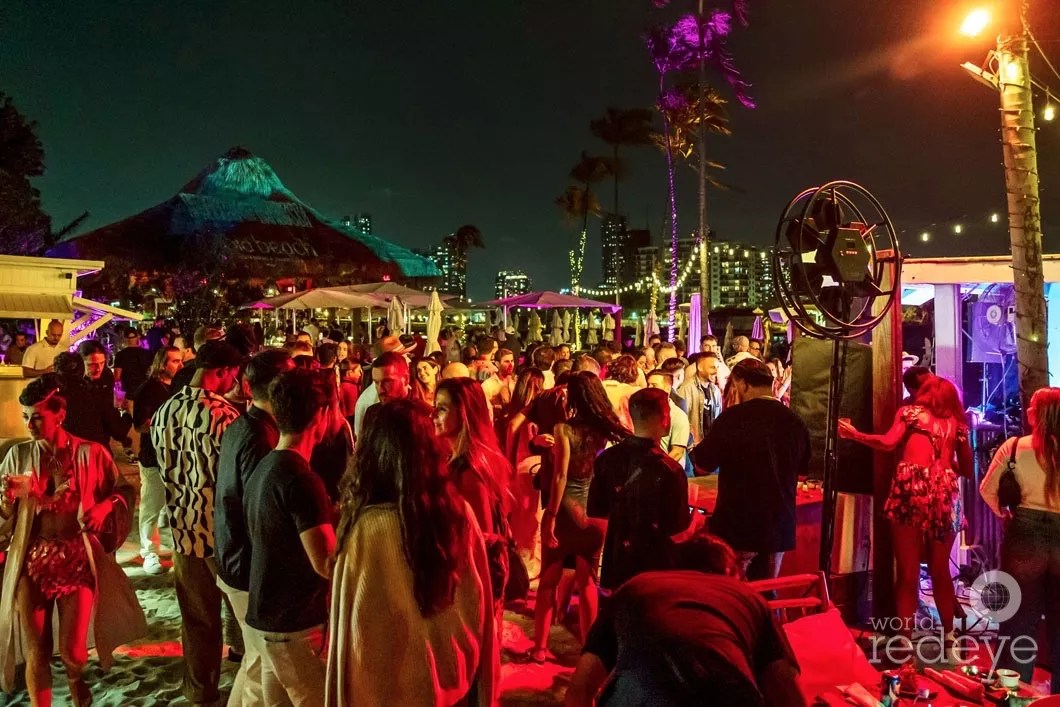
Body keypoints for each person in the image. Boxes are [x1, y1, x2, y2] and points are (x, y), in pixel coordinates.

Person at [325, 400, 496, 706]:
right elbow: (478, 605)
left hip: (383, 695)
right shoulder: (457, 515)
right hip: (451, 689)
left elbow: (354, 634)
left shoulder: (364, 530)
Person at [0, 376, 146, 706]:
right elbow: (3, 516)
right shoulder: (18, 456)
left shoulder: (91, 453)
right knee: (37, 649)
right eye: (25, 417)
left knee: (73, 651)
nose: (29, 425)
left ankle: (76, 678)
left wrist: (104, 507)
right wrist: (6, 501)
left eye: (37, 417)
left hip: (77, 557)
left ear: (60, 415)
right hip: (32, 558)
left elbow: (123, 490)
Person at [565, 530, 805, 707]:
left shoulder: (636, 587)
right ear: (730, 572)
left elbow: (579, 689)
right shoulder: (747, 597)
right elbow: (789, 691)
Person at [839, 374, 972, 644]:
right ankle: (949, 637)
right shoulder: (957, 424)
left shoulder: (909, 414)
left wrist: (855, 435)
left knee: (907, 572)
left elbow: (888, 443)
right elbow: (967, 469)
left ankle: (905, 639)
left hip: (911, 488)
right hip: (944, 493)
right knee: (940, 572)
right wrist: (946, 467)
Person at [151, 341, 244, 705]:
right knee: (243, 614)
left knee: (196, 620)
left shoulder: (164, 411)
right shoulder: (223, 415)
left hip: (182, 529)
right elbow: (235, 479)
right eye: (233, 375)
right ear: (222, 371)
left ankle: (200, 690)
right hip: (221, 533)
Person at [243, 369, 336, 706]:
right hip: (294, 625)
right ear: (320, 415)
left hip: (266, 617)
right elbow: (326, 563)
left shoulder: (266, 466)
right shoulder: (300, 478)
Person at [531, 371, 630, 662]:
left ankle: (540, 648)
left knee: (548, 580)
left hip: (566, 509)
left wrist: (551, 515)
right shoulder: (605, 429)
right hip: (595, 511)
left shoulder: (564, 429)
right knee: (587, 583)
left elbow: (560, 476)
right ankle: (589, 649)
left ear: (574, 397)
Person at [215, 349, 294, 706]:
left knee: (256, 659)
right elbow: (260, 509)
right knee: (261, 663)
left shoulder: (242, 425)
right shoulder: (261, 436)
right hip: (246, 565)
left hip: (233, 557)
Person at [692, 358, 810, 581]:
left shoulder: (732, 419)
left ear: (743, 384)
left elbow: (701, 466)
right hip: (779, 524)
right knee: (767, 590)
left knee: (734, 590)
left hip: (739, 524)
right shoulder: (795, 421)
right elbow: (803, 473)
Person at [981, 387, 1060, 689]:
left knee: (1018, 620)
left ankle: (1013, 692)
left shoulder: (1014, 447)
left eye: (1032, 406)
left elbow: (987, 490)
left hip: (1025, 535)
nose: (1026, 410)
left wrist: (1004, 515)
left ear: (1039, 414)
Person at [587, 388, 693, 592]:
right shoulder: (669, 470)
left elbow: (596, 511)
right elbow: (677, 530)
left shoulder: (607, 459)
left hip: (617, 564)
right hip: (655, 570)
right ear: (664, 418)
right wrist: (695, 524)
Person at [434, 378, 512, 604]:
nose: (433, 415)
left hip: (469, 584)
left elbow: (483, 539)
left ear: (464, 413)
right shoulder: (463, 459)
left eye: (442, 409)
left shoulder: (469, 470)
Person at [132, 345, 184, 574]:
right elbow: (140, 425)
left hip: (176, 454)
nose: (180, 365)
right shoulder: (149, 389)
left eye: (180, 360)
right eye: (175, 361)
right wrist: (164, 422)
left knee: (173, 503)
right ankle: (149, 551)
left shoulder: (178, 387)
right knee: (151, 505)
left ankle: (174, 547)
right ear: (162, 364)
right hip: (153, 455)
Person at [351, 337, 413, 440]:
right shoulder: (368, 407)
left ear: (406, 378)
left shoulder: (420, 411)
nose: (381, 389)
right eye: (403, 356)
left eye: (387, 382)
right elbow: (361, 442)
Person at [645, 369, 692, 472]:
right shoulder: (644, 413)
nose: (649, 388)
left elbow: (677, 453)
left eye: (654, 385)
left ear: (667, 389)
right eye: (648, 385)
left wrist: (656, 470)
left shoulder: (678, 416)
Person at [113, 328, 154, 406]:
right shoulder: (147, 354)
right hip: (144, 391)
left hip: (128, 392)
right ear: (137, 337)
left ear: (125, 339)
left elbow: (117, 376)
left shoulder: (120, 355)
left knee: (130, 412)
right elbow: (152, 372)